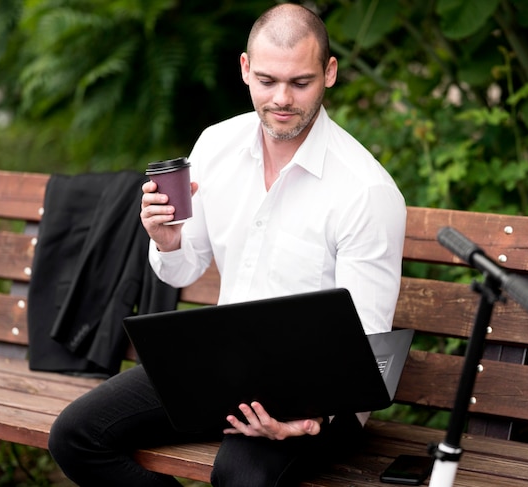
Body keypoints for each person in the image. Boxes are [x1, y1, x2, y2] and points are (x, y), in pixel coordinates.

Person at [48, 3, 407, 486]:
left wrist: (308, 420)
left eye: (300, 83)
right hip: (223, 364)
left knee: (241, 476)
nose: (281, 98)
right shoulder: (215, 146)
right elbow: (179, 272)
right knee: (75, 436)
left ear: (330, 73)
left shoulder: (366, 190)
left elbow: (364, 346)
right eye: (266, 80)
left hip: (317, 393)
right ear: (244, 69)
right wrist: (168, 242)